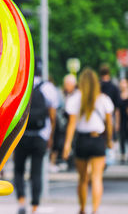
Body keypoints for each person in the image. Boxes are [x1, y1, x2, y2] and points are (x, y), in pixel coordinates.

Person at [63, 68, 113, 214]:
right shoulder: (104, 99)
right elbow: (109, 124)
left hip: (82, 141)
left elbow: (71, 124)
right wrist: (109, 141)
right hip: (97, 140)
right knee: (97, 178)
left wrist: (67, 145)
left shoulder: (75, 99)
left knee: (82, 179)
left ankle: (83, 208)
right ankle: (95, 211)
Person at [14, 58, 58, 214]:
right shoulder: (48, 88)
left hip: (21, 136)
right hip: (40, 136)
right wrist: (50, 137)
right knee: (36, 172)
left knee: (18, 170)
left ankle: (21, 201)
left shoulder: (20, 85)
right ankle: (34, 207)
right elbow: (52, 116)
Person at [118, 78, 128, 163]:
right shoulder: (119, 95)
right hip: (122, 120)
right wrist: (116, 123)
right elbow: (117, 110)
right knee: (122, 136)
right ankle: (123, 154)